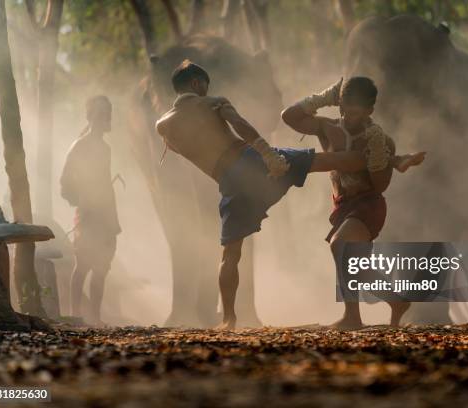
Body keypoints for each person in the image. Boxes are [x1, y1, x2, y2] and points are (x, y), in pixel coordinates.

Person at [156, 60, 385, 329]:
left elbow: (180, 148)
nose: (207, 90)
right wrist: (267, 153)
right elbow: (241, 125)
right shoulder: (213, 103)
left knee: (230, 255)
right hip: (251, 160)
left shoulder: (163, 126)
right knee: (323, 161)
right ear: (196, 83)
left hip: (229, 182)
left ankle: (228, 318)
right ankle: (383, 157)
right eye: (205, 85)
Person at [282, 77, 426, 329]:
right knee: (356, 265)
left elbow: (380, 186)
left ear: (370, 111)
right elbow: (289, 117)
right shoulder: (329, 128)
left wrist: (381, 155)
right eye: (344, 110)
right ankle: (396, 301)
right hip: (342, 205)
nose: (349, 118)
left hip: (368, 205)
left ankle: (352, 317)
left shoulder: (379, 139)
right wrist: (324, 97)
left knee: (341, 246)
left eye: (356, 113)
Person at [60, 95, 121, 326]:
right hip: (88, 216)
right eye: (101, 113)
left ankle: (95, 317)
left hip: (106, 215)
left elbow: (103, 183)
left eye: (108, 113)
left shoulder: (105, 148)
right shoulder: (80, 145)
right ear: (91, 116)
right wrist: (82, 201)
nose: (106, 118)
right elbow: (65, 181)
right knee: (83, 265)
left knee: (102, 267)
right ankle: (76, 315)